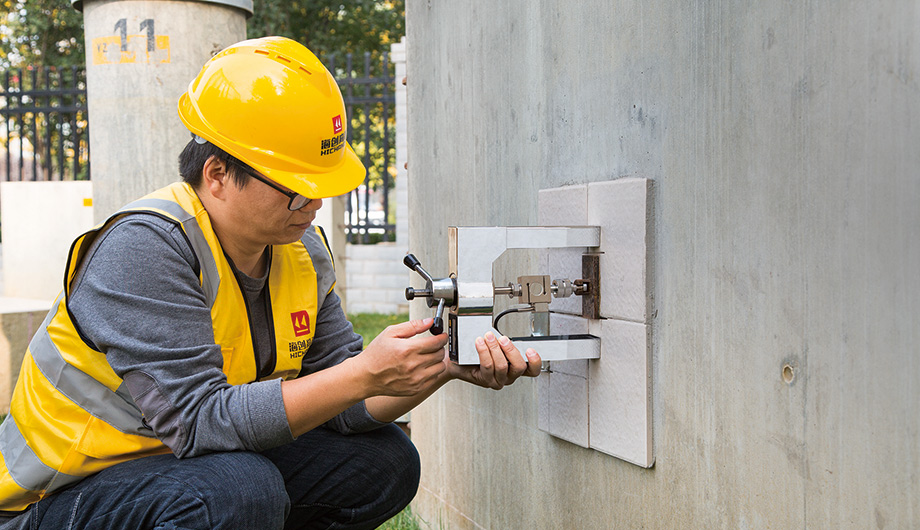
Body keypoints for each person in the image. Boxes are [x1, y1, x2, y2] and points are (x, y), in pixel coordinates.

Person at [0, 36, 540, 530]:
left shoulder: (299, 249)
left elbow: (347, 406)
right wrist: (362, 374)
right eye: (296, 189)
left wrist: (440, 365)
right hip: (58, 497)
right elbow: (199, 423)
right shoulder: (143, 249)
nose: (315, 205)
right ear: (216, 175)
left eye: (320, 188)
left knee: (384, 461)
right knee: (237, 491)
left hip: (189, 469)